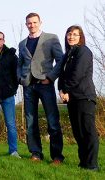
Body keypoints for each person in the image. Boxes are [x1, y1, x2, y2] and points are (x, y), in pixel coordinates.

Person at [17, 13, 65, 164]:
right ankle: (36, 153)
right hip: (28, 86)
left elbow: (60, 61)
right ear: (26, 25)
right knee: (31, 121)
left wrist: (50, 77)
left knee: (52, 120)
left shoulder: (51, 38)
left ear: (40, 22)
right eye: (29, 23)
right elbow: (20, 63)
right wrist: (20, 77)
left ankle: (57, 156)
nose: (32, 25)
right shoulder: (22, 43)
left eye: (34, 22)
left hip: (45, 85)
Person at [58, 25, 99, 171]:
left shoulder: (83, 51)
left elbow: (77, 74)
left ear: (81, 37)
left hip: (84, 97)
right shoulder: (68, 54)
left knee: (88, 131)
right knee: (78, 132)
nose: (71, 36)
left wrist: (66, 89)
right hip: (72, 99)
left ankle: (92, 165)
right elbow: (62, 76)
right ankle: (83, 163)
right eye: (69, 34)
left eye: (75, 34)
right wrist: (61, 90)